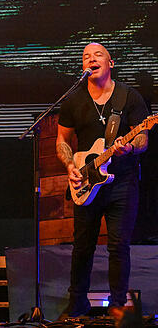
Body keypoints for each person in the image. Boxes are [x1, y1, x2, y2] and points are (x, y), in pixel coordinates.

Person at [55, 43, 149, 317]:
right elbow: (62, 140)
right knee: (82, 245)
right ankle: (77, 304)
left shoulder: (129, 97)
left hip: (122, 182)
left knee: (119, 245)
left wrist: (129, 147)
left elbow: (142, 137)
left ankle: (118, 306)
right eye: (86, 56)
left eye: (98, 55)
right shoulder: (74, 100)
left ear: (110, 63)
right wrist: (70, 165)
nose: (91, 59)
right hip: (85, 182)